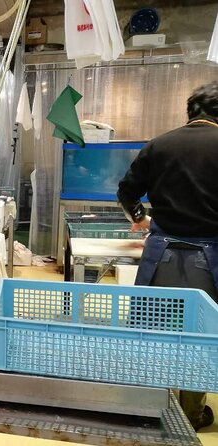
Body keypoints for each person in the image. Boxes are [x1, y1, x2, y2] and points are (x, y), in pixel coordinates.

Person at [117, 81, 218, 431]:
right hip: (210, 259)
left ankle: (149, 405)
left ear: (191, 112)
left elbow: (126, 191)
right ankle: (191, 412)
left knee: (151, 332)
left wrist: (141, 218)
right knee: (202, 338)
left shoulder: (159, 144)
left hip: (159, 255)